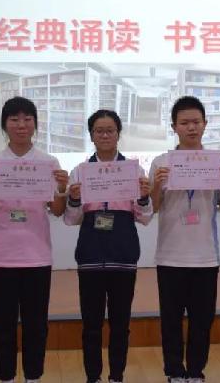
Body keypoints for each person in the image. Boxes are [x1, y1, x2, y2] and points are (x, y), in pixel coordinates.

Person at [0, 96, 69, 383]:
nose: (21, 124)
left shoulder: (48, 163)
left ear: (35, 124)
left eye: (27, 119)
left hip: (37, 256)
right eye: (14, 119)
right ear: (4, 125)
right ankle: (5, 377)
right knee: (2, 324)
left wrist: (61, 188)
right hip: (0, 256)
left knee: (36, 325)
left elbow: (57, 210)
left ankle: (33, 377)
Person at [150, 96, 220, 383]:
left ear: (205, 124)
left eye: (196, 122)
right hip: (170, 255)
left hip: (205, 256)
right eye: (184, 123)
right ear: (174, 127)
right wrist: (156, 186)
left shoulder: (216, 161)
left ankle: (196, 372)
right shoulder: (161, 163)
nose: (191, 127)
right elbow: (152, 207)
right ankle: (174, 372)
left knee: (202, 321)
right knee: (171, 321)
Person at [64, 109, 153, 383]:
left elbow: (145, 218)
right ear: (91, 136)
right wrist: (74, 200)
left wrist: (144, 197)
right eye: (99, 131)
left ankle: (116, 376)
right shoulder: (80, 172)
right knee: (91, 325)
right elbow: (71, 219)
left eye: (110, 130)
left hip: (123, 256)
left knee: (120, 324)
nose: (105, 135)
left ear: (118, 134)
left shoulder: (134, 171)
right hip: (90, 256)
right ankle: (93, 376)